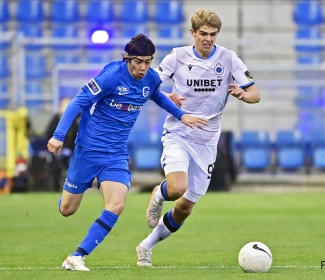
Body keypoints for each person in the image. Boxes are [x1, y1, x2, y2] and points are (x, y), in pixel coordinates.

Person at [47, 34, 208, 271]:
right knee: (67, 210)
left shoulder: (151, 79)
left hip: (116, 155)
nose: (143, 67)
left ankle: (76, 257)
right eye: (138, 62)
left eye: (148, 62)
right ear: (127, 58)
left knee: (116, 205)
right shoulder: (111, 76)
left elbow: (155, 96)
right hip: (88, 152)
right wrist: (59, 135)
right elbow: (78, 102)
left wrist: (181, 114)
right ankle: (70, 190)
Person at [136, 9, 261, 266]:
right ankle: (158, 196)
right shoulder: (177, 56)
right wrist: (164, 95)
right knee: (177, 188)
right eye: (203, 34)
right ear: (193, 33)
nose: (208, 39)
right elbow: (148, 84)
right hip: (179, 131)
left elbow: (255, 94)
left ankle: (146, 246)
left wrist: (242, 94)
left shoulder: (229, 58)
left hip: (207, 141)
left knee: (185, 208)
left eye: (213, 34)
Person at [45, 98, 79, 191]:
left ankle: (71, 187)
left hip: (72, 150)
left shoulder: (76, 120)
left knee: (72, 166)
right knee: (54, 165)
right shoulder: (56, 118)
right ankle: (55, 187)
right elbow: (48, 133)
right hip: (57, 150)